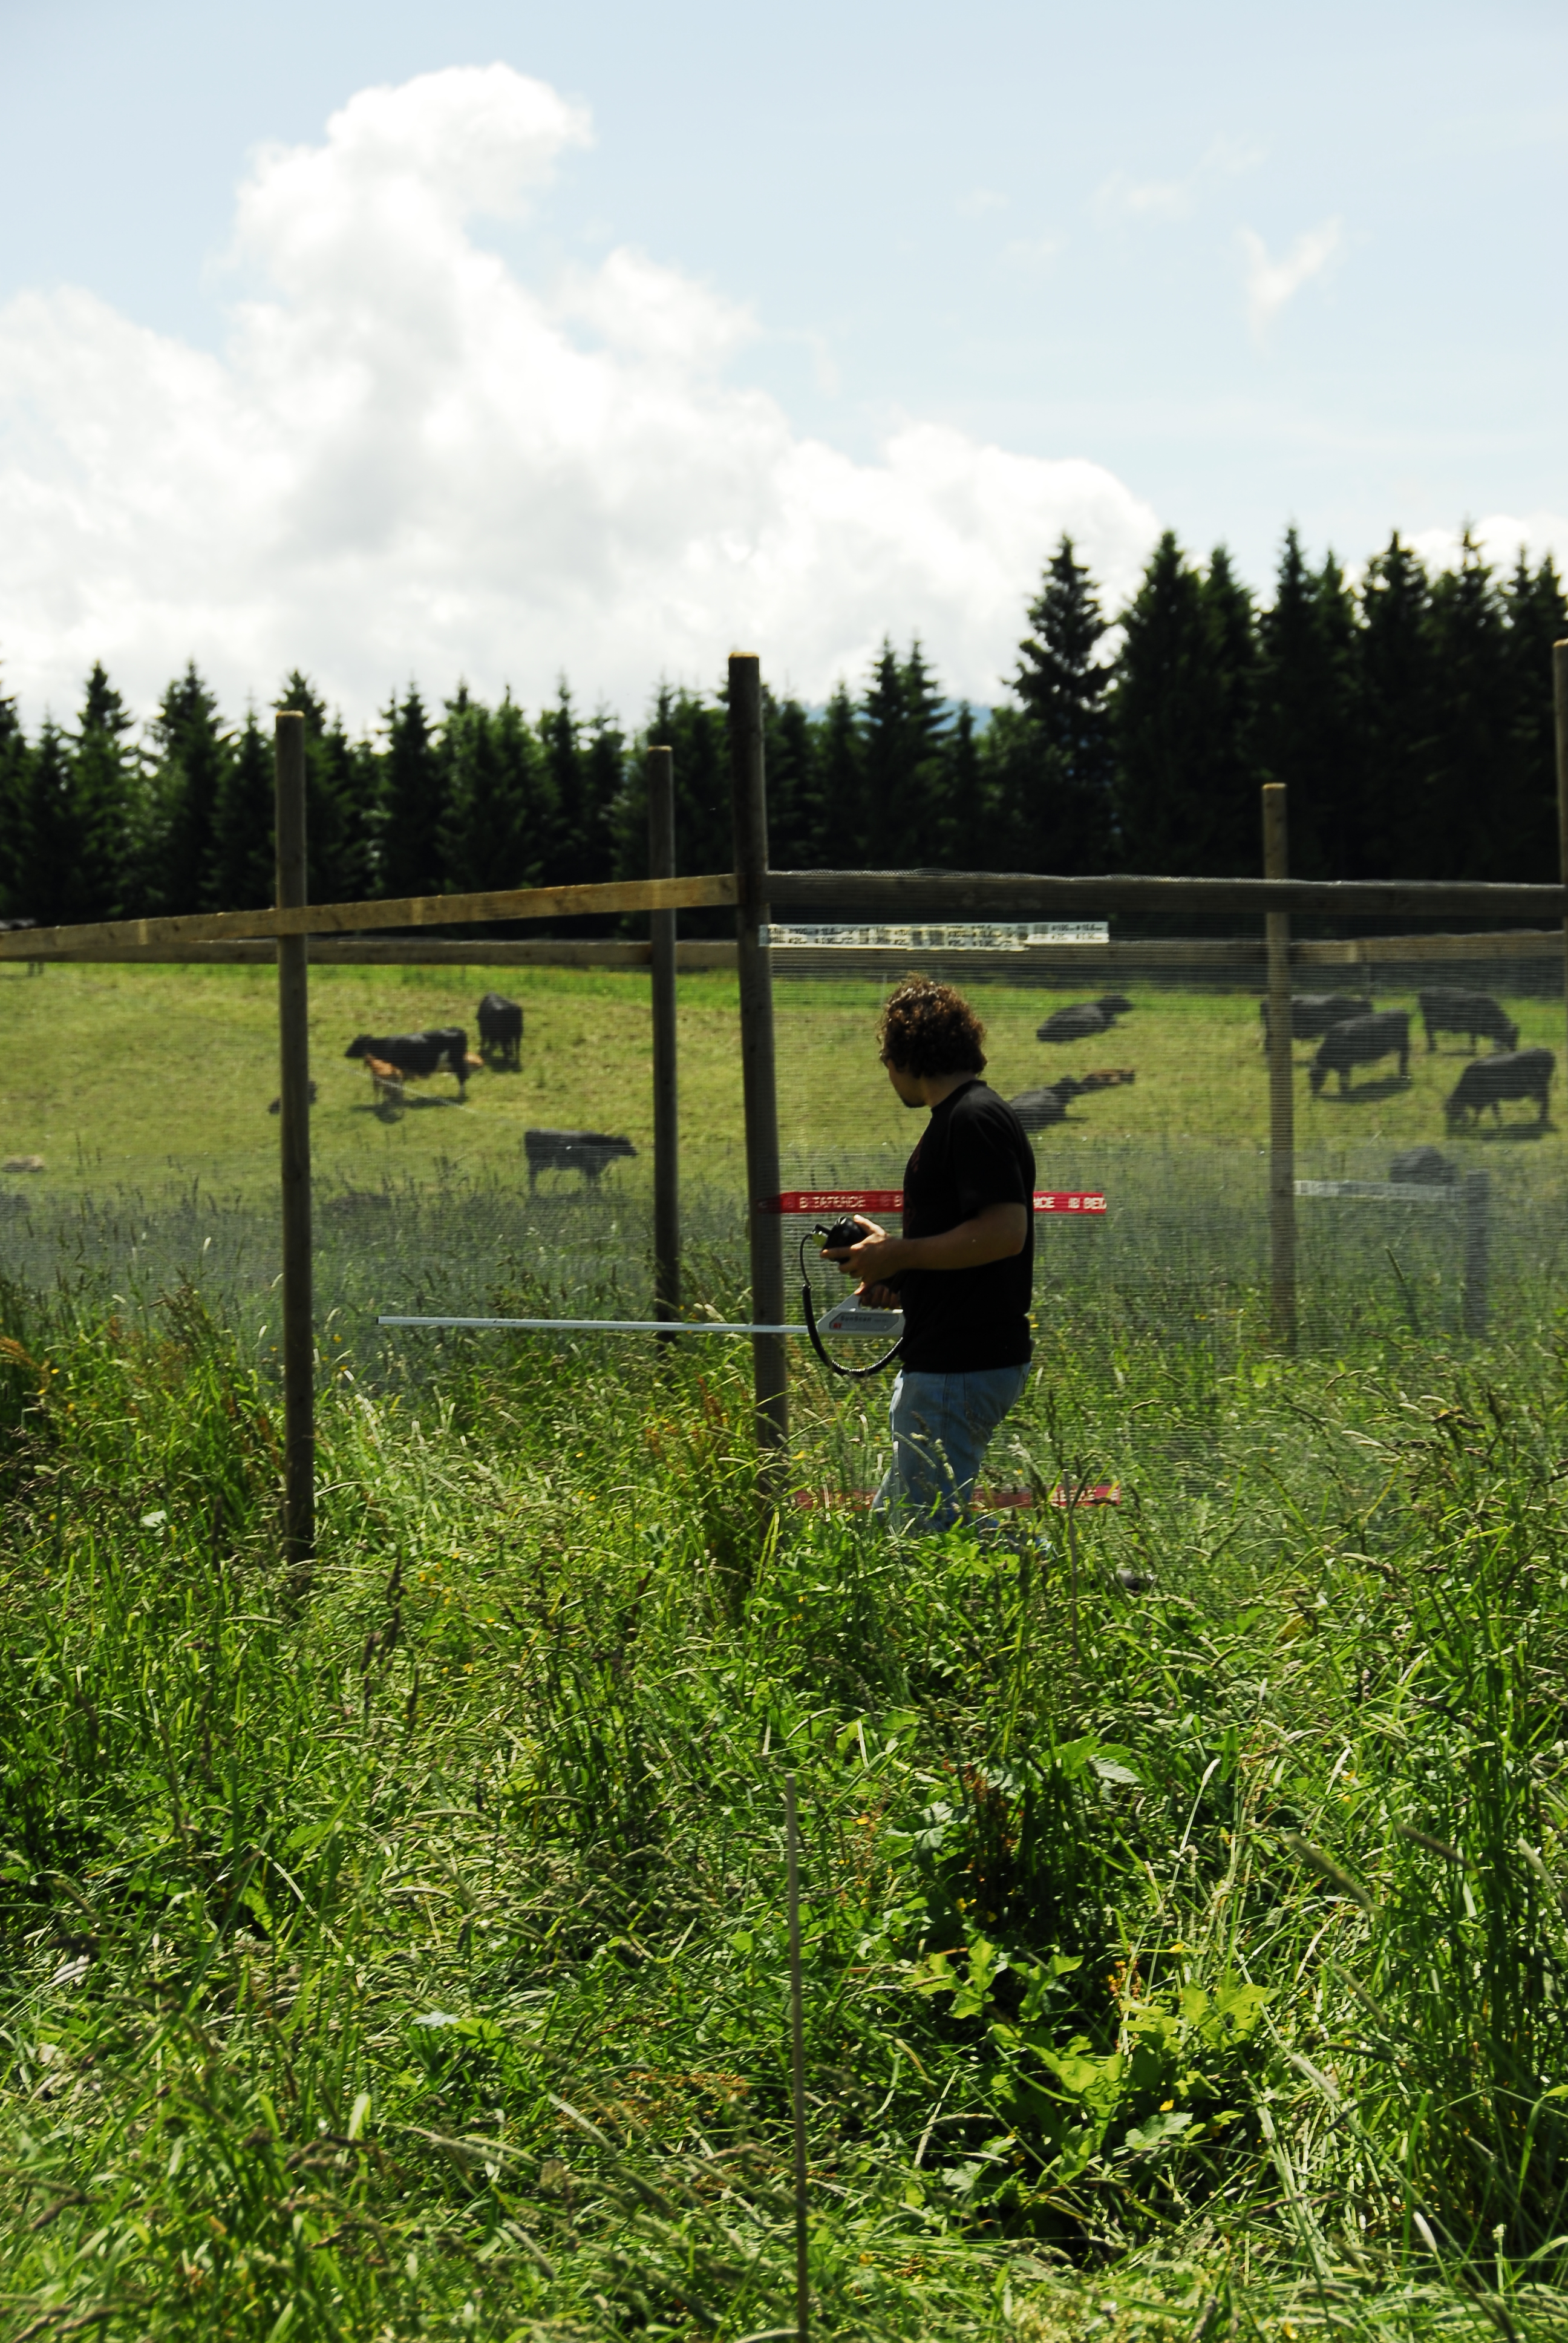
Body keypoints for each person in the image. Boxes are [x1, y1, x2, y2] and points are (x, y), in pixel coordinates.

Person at [825, 975, 1034, 1532]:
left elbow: (1004, 1233)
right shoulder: (959, 1120)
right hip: (947, 1357)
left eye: (885, 1057)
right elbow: (968, 1249)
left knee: (926, 1537)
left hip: (961, 1363)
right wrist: (895, 1266)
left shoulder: (973, 1119)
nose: (885, 1071)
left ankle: (1092, 1587)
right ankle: (1077, 1583)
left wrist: (901, 1253)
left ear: (907, 1055)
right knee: (897, 1531)